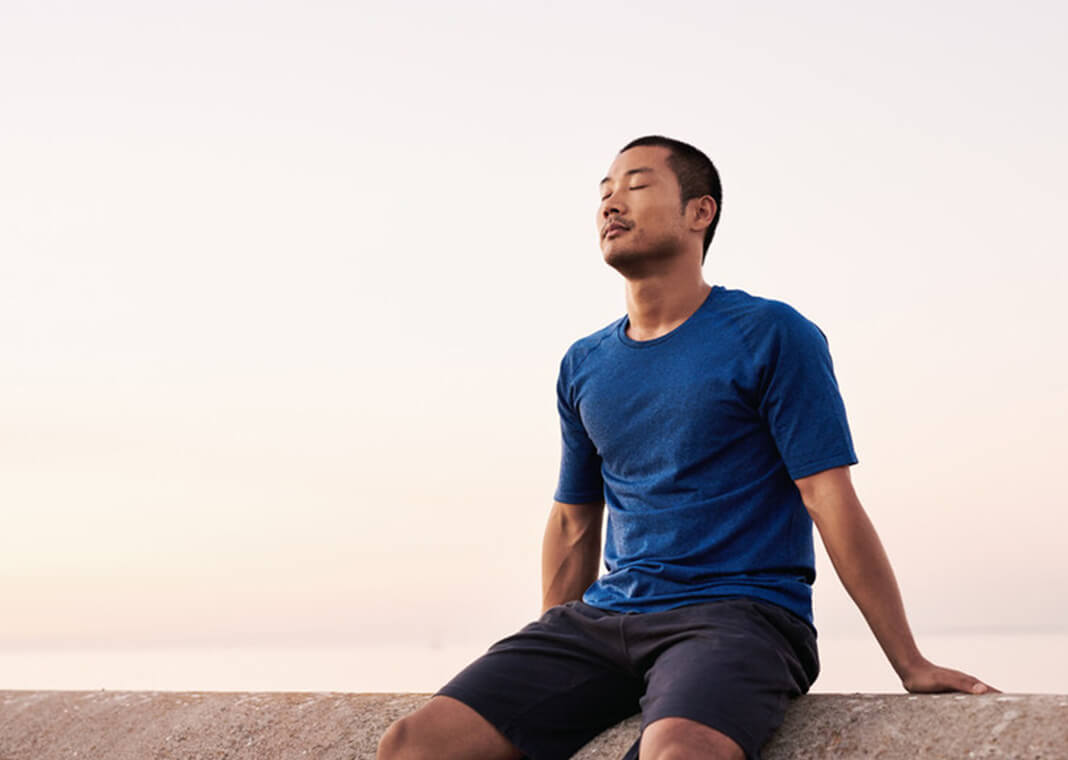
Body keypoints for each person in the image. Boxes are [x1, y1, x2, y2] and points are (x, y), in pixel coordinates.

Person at [377, 135, 996, 760]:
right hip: (606, 618)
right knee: (414, 744)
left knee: (678, 752)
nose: (612, 203)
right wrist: (554, 653)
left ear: (700, 212)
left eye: (638, 186)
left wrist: (908, 661)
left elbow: (828, 498)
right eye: (605, 192)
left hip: (740, 617)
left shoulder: (772, 334)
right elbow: (572, 519)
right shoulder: (584, 363)